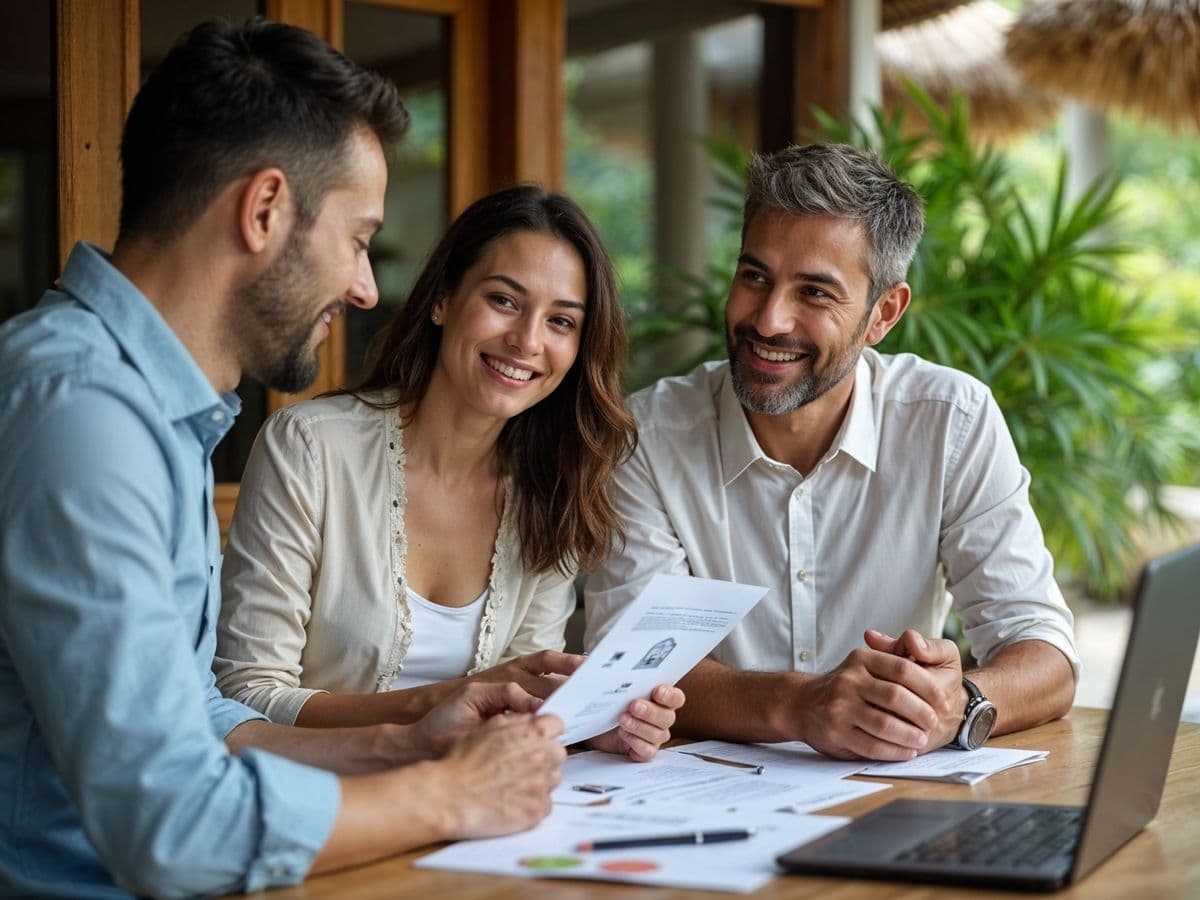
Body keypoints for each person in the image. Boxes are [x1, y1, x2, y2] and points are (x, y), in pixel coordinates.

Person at [0, 19, 568, 898]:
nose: (368, 287)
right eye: (358, 237)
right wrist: (451, 793)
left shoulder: (156, 408)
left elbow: (202, 720)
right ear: (264, 210)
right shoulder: (82, 413)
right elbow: (173, 827)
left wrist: (411, 737)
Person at [586, 143, 1079, 763]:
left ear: (883, 315)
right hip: (700, 806)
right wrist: (799, 703)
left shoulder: (951, 420)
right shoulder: (646, 436)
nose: (768, 320)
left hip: (895, 800)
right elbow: (632, 667)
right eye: (754, 276)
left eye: (815, 293)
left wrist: (957, 704)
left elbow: (1045, 654)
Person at [214, 185, 684, 762]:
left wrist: (584, 722)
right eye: (505, 301)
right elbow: (246, 694)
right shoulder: (311, 446)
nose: (528, 340)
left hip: (467, 806)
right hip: (315, 804)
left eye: (561, 321)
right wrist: (436, 704)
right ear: (442, 299)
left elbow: (514, 705)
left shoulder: (554, 485)